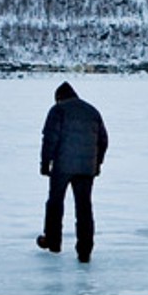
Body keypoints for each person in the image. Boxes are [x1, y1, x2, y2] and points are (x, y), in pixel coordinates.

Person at [37, 81, 108, 263]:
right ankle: (85, 251)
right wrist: (97, 163)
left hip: (62, 166)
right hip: (86, 169)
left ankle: (53, 242)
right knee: (84, 208)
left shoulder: (58, 110)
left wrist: (45, 164)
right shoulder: (92, 111)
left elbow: (49, 139)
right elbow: (104, 140)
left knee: (55, 203)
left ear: (59, 98)